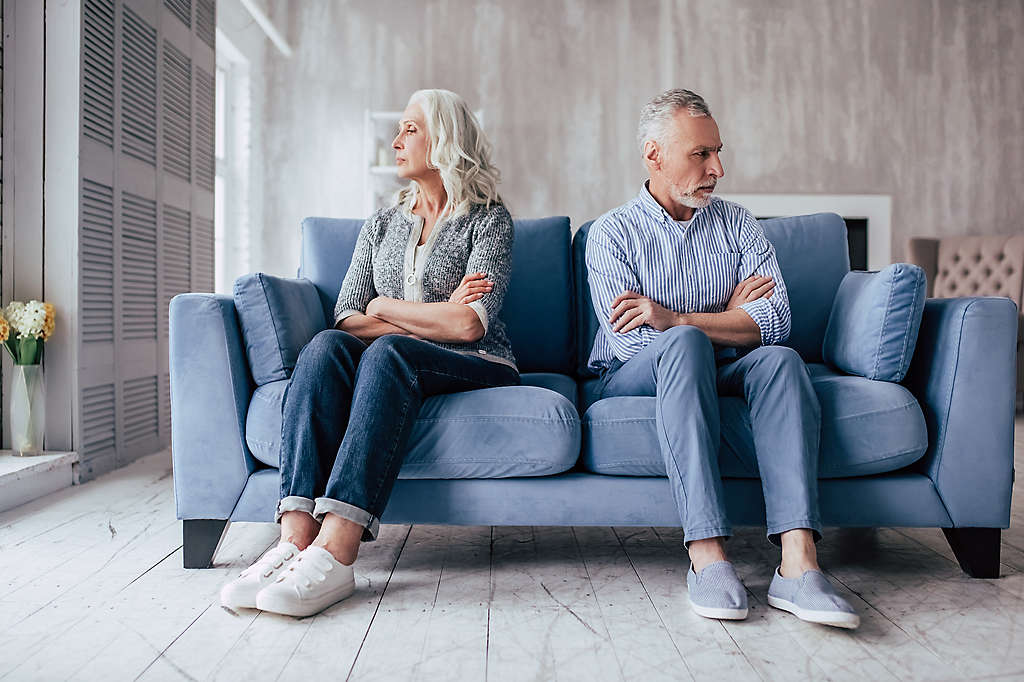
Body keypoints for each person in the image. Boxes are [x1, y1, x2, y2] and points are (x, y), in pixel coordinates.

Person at [219, 89, 519, 618]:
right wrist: (425, 313)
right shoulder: (382, 223)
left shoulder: (489, 220)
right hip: (407, 350)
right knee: (325, 346)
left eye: (409, 129)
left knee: (388, 354)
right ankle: (294, 537)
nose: (395, 140)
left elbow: (470, 325)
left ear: (443, 140)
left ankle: (338, 550)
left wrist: (390, 308)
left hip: (480, 363)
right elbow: (348, 316)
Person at [585, 89, 859, 629]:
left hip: (711, 361)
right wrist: (725, 319)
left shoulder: (738, 223)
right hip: (630, 378)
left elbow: (775, 321)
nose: (719, 168)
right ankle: (708, 555)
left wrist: (678, 317)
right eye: (701, 154)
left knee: (779, 360)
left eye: (718, 152)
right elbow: (635, 343)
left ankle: (798, 565)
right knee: (681, 347)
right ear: (653, 154)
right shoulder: (611, 233)